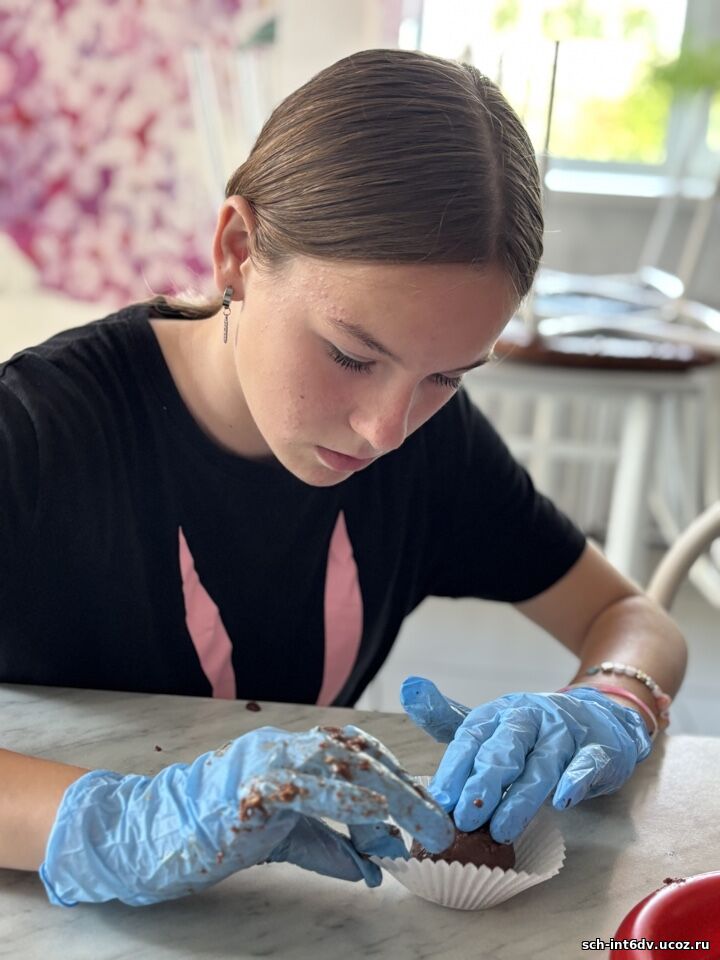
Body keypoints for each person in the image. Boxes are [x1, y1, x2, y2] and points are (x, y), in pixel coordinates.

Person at [0, 48, 686, 908]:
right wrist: (110, 824)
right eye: (351, 355)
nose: (387, 430)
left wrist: (611, 701)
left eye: (446, 377)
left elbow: (632, 618)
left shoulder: (432, 450)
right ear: (238, 251)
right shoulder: (38, 434)